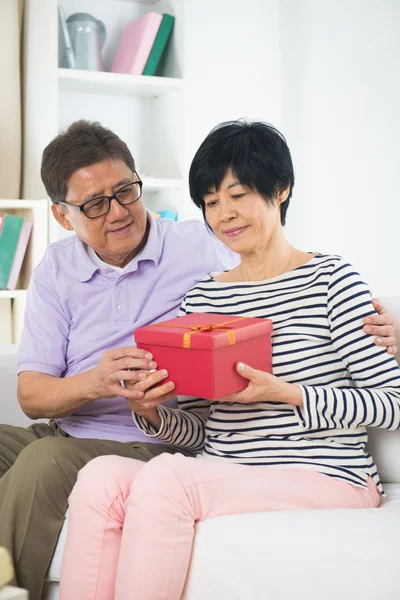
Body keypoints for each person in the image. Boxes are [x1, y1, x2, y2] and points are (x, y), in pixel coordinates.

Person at [0, 120, 394, 599]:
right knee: (101, 478)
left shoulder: (333, 281)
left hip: (325, 471)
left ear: (282, 189)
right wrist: (150, 414)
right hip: (226, 465)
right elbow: (203, 426)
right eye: (210, 202)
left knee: (166, 480)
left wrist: (289, 395)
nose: (225, 215)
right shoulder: (205, 297)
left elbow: (392, 403)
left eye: (239, 194)